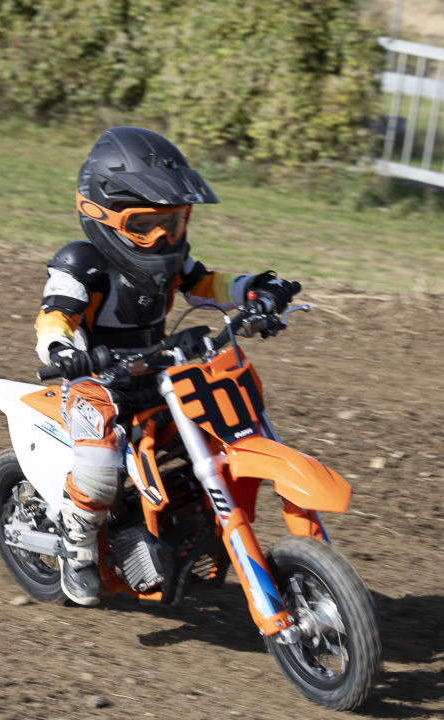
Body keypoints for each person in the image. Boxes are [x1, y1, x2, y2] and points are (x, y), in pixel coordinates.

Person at [34, 126, 299, 606]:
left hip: (162, 377)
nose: (162, 238)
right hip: (98, 383)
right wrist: (62, 351)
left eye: (173, 224)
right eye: (145, 226)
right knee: (98, 471)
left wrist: (257, 290)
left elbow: (210, 284)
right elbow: (56, 315)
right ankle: (77, 549)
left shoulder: (173, 261)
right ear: (103, 215)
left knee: (219, 435)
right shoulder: (81, 263)